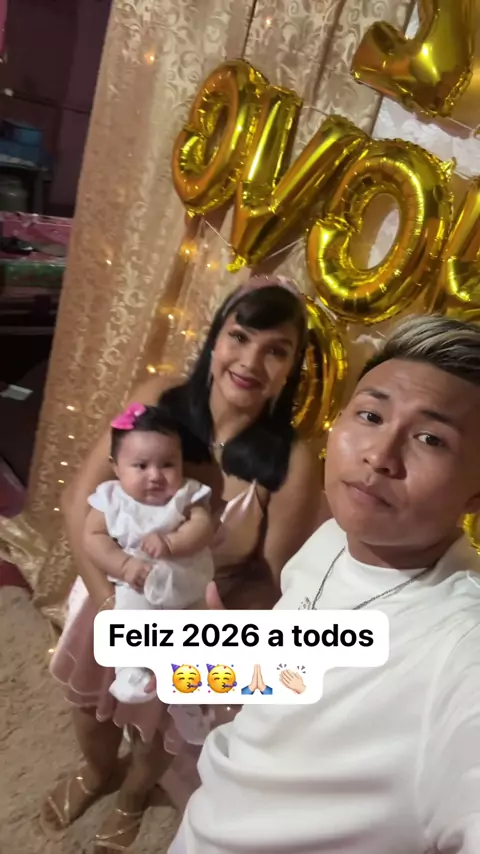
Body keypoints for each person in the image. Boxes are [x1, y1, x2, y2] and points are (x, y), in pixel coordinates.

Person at [169, 314, 480, 854]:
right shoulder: (333, 535)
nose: (379, 456)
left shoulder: (460, 650)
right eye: (371, 415)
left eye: (430, 439)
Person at [40, 275, 325, 852]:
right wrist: (115, 609)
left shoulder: (291, 461)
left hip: (194, 622)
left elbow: (272, 582)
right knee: (91, 706)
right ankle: (96, 772)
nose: (251, 362)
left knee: (159, 731)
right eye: (240, 337)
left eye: (276, 351)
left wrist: (197, 635)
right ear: (215, 338)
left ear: (291, 370)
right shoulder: (156, 399)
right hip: (111, 593)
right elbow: (78, 502)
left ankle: (133, 796)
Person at [84, 402, 214, 705]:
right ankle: (131, 671)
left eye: (167, 464)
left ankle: (191, 678)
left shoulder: (186, 494)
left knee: (199, 630)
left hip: (186, 583)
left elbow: (203, 526)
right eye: (141, 466)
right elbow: (92, 537)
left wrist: (171, 543)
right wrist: (123, 565)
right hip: (137, 583)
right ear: (116, 467)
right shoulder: (112, 499)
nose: (155, 475)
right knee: (130, 622)